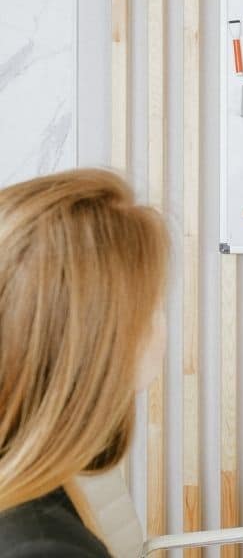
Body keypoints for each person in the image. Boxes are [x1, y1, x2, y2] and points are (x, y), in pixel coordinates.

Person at [0, 169, 170, 556]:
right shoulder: (42, 548)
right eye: (153, 306)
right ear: (101, 341)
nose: (162, 326)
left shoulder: (31, 483)